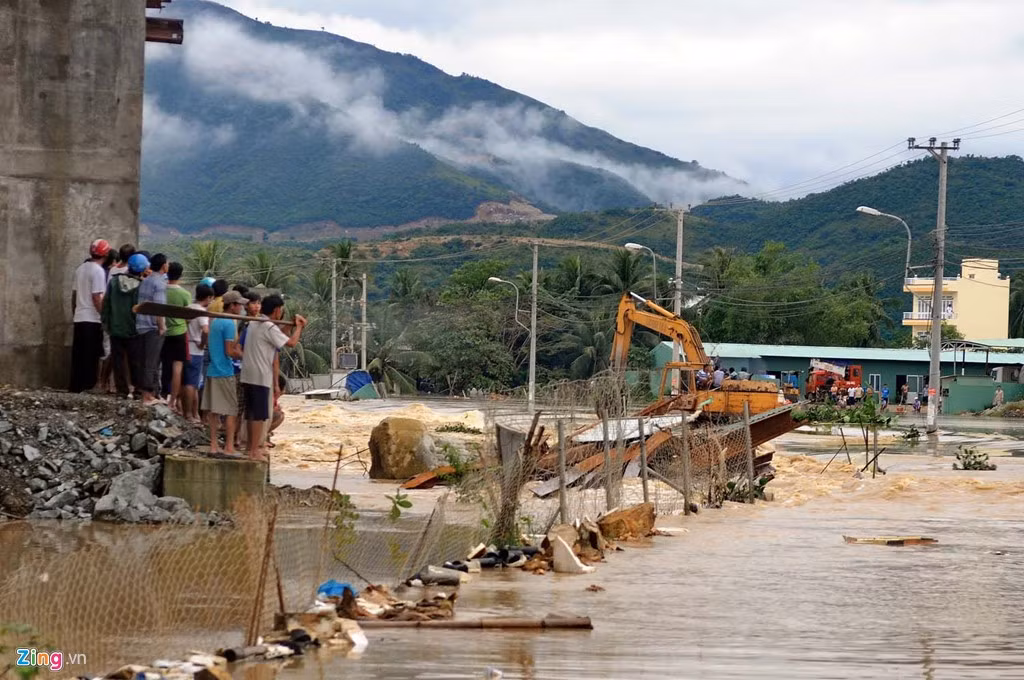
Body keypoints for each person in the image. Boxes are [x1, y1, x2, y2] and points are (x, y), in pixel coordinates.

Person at [240, 294, 306, 461]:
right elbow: (290, 343)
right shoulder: (268, 327)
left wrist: (290, 326)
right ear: (277, 310)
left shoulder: (255, 323)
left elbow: (279, 338)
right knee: (259, 415)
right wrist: (299, 328)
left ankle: (250, 447)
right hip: (260, 376)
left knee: (251, 413)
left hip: (248, 373)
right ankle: (254, 450)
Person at [202, 291, 245, 454]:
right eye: (239, 304)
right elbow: (229, 351)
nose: (241, 307)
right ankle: (228, 446)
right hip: (224, 371)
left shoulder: (216, 322)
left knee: (214, 411)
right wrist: (243, 355)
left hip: (213, 370)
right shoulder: (228, 324)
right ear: (232, 306)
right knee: (231, 411)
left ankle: (214, 445)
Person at [103, 253, 148, 398]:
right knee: (136, 361)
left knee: (118, 361)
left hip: (115, 327)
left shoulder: (114, 282)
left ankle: (122, 390)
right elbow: (141, 310)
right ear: (142, 269)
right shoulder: (141, 286)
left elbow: (106, 304)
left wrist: (106, 323)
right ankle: (138, 390)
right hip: (134, 329)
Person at [69, 239, 111, 392]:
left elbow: (74, 295)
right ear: (106, 254)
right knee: (91, 355)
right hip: (92, 318)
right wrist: (104, 316)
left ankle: (75, 386)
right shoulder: (98, 271)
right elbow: (97, 297)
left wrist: (75, 311)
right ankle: (88, 385)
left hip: (79, 316)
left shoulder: (80, 269)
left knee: (78, 354)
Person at [135, 253, 168, 405]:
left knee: (145, 361)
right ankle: (147, 396)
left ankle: (151, 393)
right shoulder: (159, 283)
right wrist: (162, 327)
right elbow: (159, 309)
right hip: (152, 326)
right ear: (163, 266)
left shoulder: (145, 281)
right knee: (152, 362)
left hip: (141, 324)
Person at [161, 262, 191, 413]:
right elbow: (188, 317)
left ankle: (163, 395)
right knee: (177, 368)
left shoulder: (162, 290)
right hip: (180, 333)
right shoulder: (184, 294)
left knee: (164, 365)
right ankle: (173, 400)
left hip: (164, 332)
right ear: (180, 275)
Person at [183, 283, 213, 423]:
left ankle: (194, 414)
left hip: (185, 346)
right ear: (208, 298)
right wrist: (202, 343)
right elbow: (206, 331)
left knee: (191, 383)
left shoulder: (188, 308)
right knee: (191, 383)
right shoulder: (202, 312)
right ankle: (189, 414)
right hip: (196, 350)